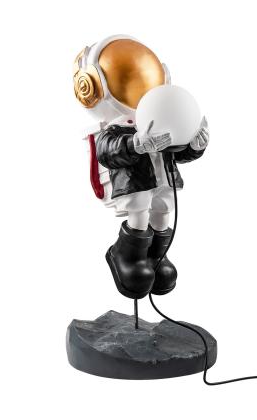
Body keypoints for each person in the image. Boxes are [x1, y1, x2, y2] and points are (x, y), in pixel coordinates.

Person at [73, 35, 209, 299]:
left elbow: (178, 152)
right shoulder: (117, 128)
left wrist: (195, 145)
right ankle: (128, 257)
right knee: (139, 215)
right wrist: (135, 143)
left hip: (163, 180)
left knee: (163, 212)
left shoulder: (162, 118)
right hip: (136, 183)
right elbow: (108, 151)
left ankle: (158, 257)